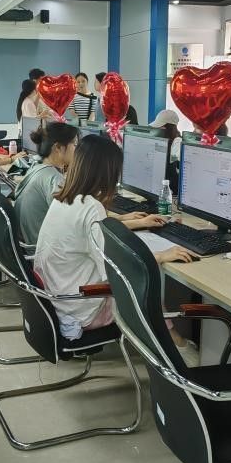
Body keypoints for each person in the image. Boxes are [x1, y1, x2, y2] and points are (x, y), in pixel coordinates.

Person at [34, 135, 195, 341]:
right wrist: (161, 256)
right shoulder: (91, 207)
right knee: (146, 287)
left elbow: (92, 234)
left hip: (59, 298)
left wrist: (134, 224)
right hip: (82, 308)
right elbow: (117, 268)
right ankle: (175, 344)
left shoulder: (65, 197)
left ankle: (172, 341)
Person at [14, 122, 79, 246]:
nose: (77, 149)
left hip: (28, 242)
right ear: (58, 147)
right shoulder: (54, 179)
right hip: (41, 249)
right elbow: (71, 224)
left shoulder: (37, 168)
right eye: (74, 144)